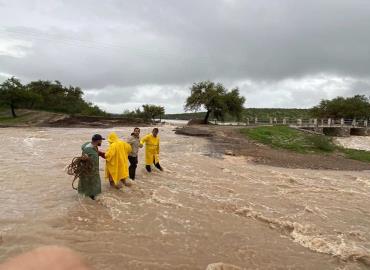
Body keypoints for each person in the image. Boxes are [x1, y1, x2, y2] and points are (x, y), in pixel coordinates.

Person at [79, 134, 105, 200]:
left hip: (94, 170)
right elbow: (83, 157)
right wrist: (84, 158)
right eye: (101, 141)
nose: (101, 142)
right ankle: (90, 201)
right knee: (90, 185)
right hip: (89, 171)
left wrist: (101, 154)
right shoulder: (88, 149)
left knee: (92, 185)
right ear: (98, 141)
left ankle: (90, 200)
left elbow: (94, 151)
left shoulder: (93, 146)